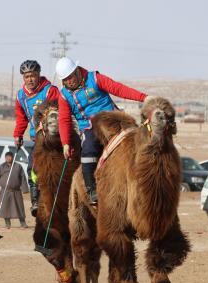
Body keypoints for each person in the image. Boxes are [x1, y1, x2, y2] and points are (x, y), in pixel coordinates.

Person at [55, 57, 149, 204]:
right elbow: (64, 120)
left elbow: (118, 89)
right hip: (90, 126)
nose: (70, 81)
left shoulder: (95, 78)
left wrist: (144, 98)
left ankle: (148, 175)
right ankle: (91, 189)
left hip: (113, 118)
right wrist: (65, 143)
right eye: (65, 79)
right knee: (88, 149)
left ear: (77, 70)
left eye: (71, 76)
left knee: (137, 139)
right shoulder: (64, 96)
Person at [13, 60, 59, 217]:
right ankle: (35, 202)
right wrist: (18, 135)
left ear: (38, 75)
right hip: (36, 140)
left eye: (33, 76)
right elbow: (21, 119)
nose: (30, 79)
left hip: (53, 138)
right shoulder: (21, 96)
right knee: (32, 169)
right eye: (27, 76)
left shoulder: (50, 91)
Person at [0, 152, 29, 228]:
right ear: (5, 158)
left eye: (10, 157)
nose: (8, 158)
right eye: (7, 157)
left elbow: (23, 178)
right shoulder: (1, 167)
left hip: (16, 191)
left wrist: (25, 189)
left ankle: (23, 223)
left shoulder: (18, 166)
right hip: (5, 191)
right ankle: (7, 223)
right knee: (5, 207)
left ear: (13, 157)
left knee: (19, 207)